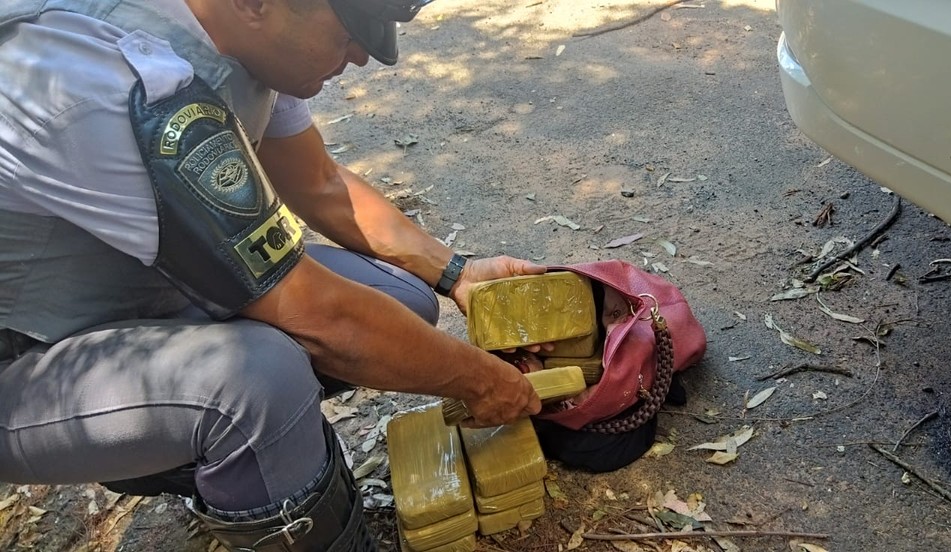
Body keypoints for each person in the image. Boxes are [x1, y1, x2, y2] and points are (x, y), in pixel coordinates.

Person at [0, 0, 545, 549]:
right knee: (259, 380)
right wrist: (482, 380)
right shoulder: (106, 86)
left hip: (133, 294)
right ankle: (201, 455)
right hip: (25, 356)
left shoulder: (240, 44)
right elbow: (323, 318)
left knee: (399, 301)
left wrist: (456, 274)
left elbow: (319, 183)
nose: (362, 56)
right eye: (349, 31)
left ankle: (216, 465)